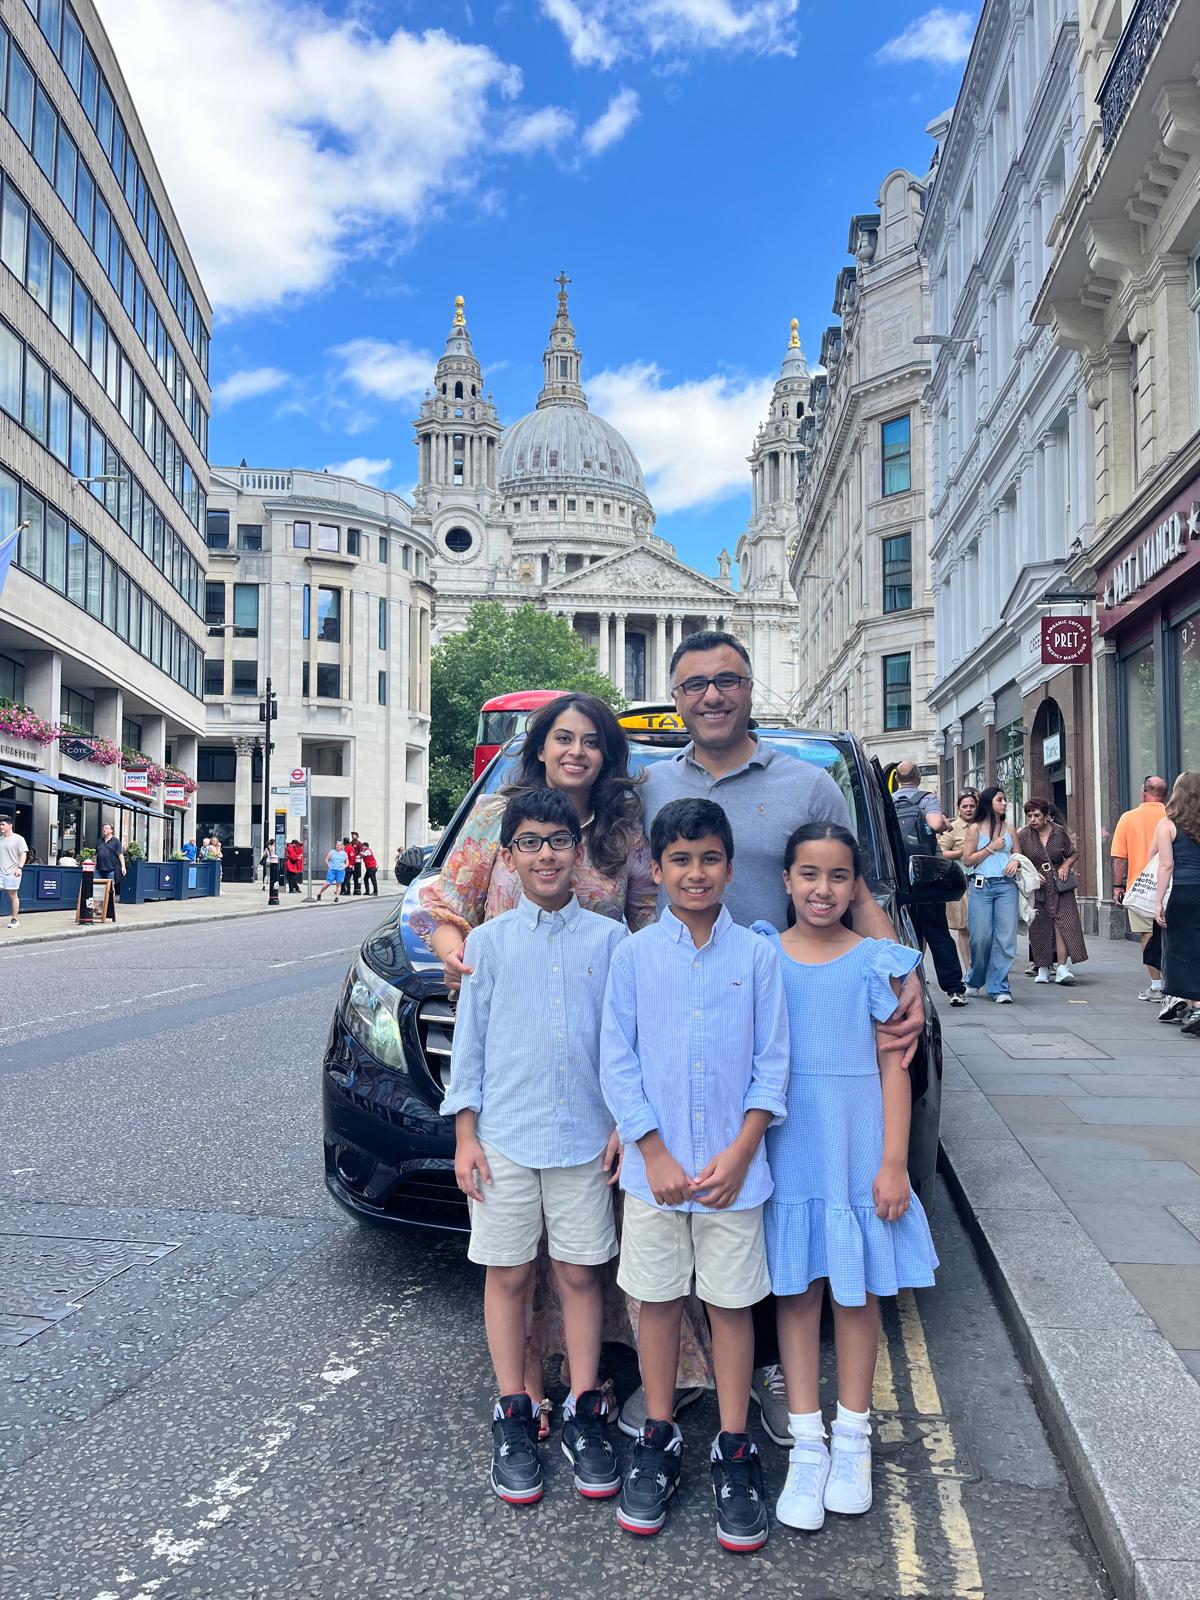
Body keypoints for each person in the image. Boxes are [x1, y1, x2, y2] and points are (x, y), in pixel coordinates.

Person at [636, 629, 925, 1445]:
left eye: (727, 680)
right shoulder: (650, 785)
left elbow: (854, 887)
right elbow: (624, 892)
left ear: (750, 686)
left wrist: (902, 972)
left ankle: (766, 1371)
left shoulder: (809, 783)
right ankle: (686, 1369)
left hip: (798, 1012)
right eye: (695, 684)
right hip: (692, 1026)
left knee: (774, 1198)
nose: (712, 695)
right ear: (677, 697)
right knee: (693, 1197)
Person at [414, 693, 699, 1437]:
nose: (576, 751)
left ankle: (590, 1383)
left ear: (607, 755)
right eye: (563, 738)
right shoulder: (497, 817)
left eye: (591, 741)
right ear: (540, 746)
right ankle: (522, 1393)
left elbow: (645, 924)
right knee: (510, 1260)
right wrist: (456, 951)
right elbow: (443, 899)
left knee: (583, 1254)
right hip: (511, 1049)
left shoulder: (622, 829)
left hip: (591, 1069)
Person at [601, 798, 789, 1552]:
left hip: (734, 1175)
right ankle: (659, 1434)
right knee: (656, 1301)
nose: (696, 872)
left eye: (709, 858)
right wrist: (650, 1150)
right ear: (656, 868)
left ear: (730, 867)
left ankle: (734, 1446)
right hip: (656, 1174)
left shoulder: (758, 958)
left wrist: (743, 1150)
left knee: (732, 1304)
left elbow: (773, 1063)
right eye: (679, 859)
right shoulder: (634, 957)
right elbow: (617, 1061)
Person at [442, 789, 627, 1507]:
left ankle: (584, 1408)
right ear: (509, 857)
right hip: (505, 1139)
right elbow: (470, 1047)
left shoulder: (611, 940)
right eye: (529, 843)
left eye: (557, 840)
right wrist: (465, 1135)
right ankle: (513, 1411)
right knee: (509, 1274)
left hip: (585, 1138)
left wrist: (623, 1123)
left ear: (577, 851)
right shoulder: (487, 943)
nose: (545, 855)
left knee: (581, 1275)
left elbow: (625, 1043)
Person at [751, 823, 937, 1531]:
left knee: (855, 1296)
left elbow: (895, 1066)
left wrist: (894, 1163)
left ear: (855, 884)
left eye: (837, 876)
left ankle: (853, 1437)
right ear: (787, 881)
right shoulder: (766, 955)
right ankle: (808, 1444)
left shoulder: (873, 962)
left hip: (857, 1146)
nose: (822, 889)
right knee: (797, 1293)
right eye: (808, 874)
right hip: (790, 1144)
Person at [890, 760, 967, 1007]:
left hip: (898, 877)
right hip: (924, 876)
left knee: (904, 932)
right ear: (919, 777)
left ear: (897, 779)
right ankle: (954, 988)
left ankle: (905, 984)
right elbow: (934, 824)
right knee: (937, 931)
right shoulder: (926, 799)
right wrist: (945, 824)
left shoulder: (888, 800)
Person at [1017, 798, 1088, 985]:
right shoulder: (1023, 835)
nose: (1032, 820)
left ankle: (1062, 967)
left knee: (1063, 924)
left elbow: (1073, 852)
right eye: (1029, 816)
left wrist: (1065, 865)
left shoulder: (1058, 831)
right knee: (1040, 926)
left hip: (1059, 884)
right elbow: (1016, 859)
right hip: (1038, 887)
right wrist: (1031, 874)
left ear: (1047, 816)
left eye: (1036, 815)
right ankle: (1043, 966)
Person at [1112, 776, 1170, 1001]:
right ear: (1165, 794)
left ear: (1144, 791)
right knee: (1172, 935)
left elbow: (1120, 858)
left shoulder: (1128, 818)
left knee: (1148, 934)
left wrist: (1118, 886)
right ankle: (1174, 983)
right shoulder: (1172, 816)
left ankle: (1156, 985)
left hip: (1141, 888)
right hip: (1171, 886)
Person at [962, 786, 1021, 1003]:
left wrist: (1015, 862)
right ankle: (974, 979)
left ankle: (999, 987)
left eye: (1005, 800)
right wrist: (991, 847)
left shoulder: (1010, 829)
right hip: (981, 886)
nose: (1004, 803)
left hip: (1007, 887)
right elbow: (967, 860)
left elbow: (1018, 855)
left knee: (1005, 938)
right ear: (989, 803)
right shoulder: (975, 829)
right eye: (1000, 800)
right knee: (980, 938)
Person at [1153, 773, 1200, 1036]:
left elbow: (1166, 865)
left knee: (1183, 949)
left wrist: (1158, 902)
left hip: (1184, 892)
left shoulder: (1168, 825)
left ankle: (1196, 1006)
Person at [940, 791, 977, 972]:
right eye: (965, 806)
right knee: (964, 927)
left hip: (984, 880)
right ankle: (968, 968)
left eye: (972, 806)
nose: (968, 809)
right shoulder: (952, 828)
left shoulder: (984, 826)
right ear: (958, 809)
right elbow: (943, 853)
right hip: (962, 882)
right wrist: (964, 851)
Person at [93, 822, 125, 923]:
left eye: (107, 828)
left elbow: (120, 855)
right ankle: (97, 909)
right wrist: (94, 867)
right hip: (99, 869)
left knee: (110, 890)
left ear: (111, 830)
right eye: (104, 828)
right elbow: (97, 855)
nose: (104, 830)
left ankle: (109, 909)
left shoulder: (116, 842)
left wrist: (123, 866)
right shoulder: (100, 841)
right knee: (97, 889)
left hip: (111, 869)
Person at [0, 816, 28, 929]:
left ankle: (15, 919)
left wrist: (19, 868)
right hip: (0, 872)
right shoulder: (0, 839)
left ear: (10, 825)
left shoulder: (18, 839)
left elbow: (23, 854)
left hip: (12, 872)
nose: (1, 826)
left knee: (13, 895)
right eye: (0, 824)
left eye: (3, 824)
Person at [348, 830, 363, 896]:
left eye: (354, 835)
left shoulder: (359, 843)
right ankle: (347, 890)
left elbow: (361, 852)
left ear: (357, 836)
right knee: (348, 876)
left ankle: (357, 890)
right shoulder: (350, 843)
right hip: (351, 862)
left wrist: (358, 856)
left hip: (357, 862)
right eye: (352, 835)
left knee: (357, 876)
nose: (353, 836)